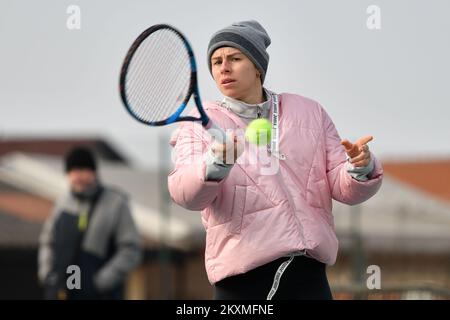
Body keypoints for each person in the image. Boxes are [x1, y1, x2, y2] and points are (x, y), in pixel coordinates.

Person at [168, 20, 383, 300]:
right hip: (242, 284)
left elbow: (342, 187)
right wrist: (216, 163)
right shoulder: (198, 124)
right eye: (216, 60)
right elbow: (185, 194)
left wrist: (360, 166)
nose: (224, 67)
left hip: (309, 277)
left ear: (258, 67)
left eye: (235, 58)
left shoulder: (310, 112)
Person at [38, 147, 142, 300]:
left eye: (83, 170)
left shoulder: (115, 203)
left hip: (101, 295)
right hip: (60, 292)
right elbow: (48, 241)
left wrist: (99, 282)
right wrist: (47, 274)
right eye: (73, 171)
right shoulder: (62, 203)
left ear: (94, 172)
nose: (78, 176)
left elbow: (130, 250)